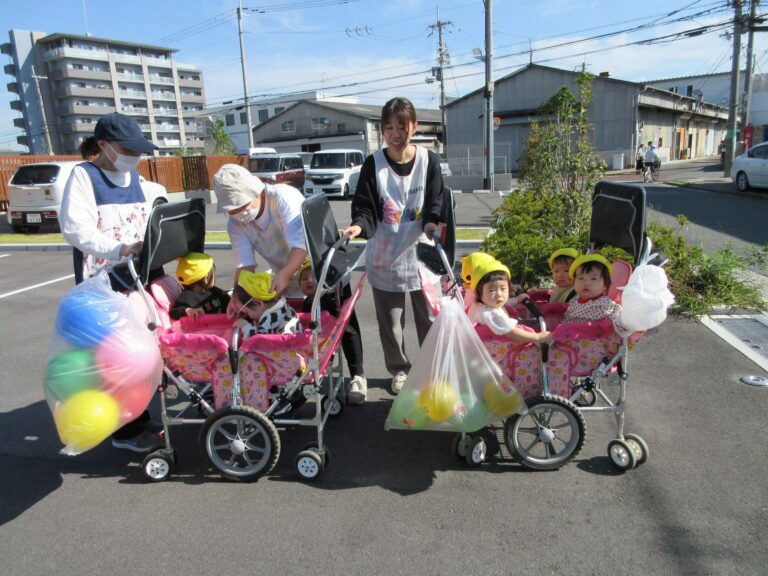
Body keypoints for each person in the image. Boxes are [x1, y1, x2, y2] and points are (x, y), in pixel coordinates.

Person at [58, 112, 161, 453]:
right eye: (128, 149)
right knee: (114, 357)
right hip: (103, 282)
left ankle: (139, 415)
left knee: (140, 351)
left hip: (135, 278)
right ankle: (123, 429)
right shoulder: (84, 176)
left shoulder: (135, 177)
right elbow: (76, 229)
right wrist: (120, 249)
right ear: (103, 145)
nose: (135, 156)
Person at [342, 97, 444, 395]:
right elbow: (365, 206)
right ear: (382, 130)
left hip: (422, 253)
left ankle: (431, 370)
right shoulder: (373, 164)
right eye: (389, 128)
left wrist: (431, 222)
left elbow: (436, 200)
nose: (396, 134)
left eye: (402, 127)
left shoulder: (428, 161)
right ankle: (399, 370)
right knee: (391, 321)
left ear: (414, 126)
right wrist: (359, 226)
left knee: (430, 318)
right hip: (385, 253)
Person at [212, 164, 308, 305]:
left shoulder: (284, 197)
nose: (240, 213)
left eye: (243, 205)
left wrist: (285, 274)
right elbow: (245, 266)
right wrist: (237, 297)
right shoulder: (235, 224)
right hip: (283, 282)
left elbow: (301, 244)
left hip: (314, 277)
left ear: (257, 191)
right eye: (233, 210)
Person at [298, 259, 367, 404]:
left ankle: (357, 376)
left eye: (313, 278)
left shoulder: (325, 300)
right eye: (304, 279)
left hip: (324, 342)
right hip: (310, 345)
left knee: (348, 327)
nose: (308, 281)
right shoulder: (305, 303)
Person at [467, 257, 552, 344]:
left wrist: (516, 300)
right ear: (478, 293)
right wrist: (537, 337)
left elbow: (502, 303)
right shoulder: (492, 314)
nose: (499, 294)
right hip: (503, 346)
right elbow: (511, 332)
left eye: (503, 288)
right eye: (491, 290)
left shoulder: (480, 304)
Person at [231, 270, 302, 337]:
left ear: (258, 303)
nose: (249, 317)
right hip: (299, 340)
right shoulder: (283, 304)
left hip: (288, 345)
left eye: (247, 313)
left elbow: (258, 341)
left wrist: (245, 326)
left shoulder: (268, 319)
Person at [170, 252, 230, 321]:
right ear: (206, 278)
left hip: (223, 324)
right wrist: (187, 310)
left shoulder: (215, 291)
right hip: (203, 327)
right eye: (213, 275)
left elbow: (227, 300)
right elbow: (173, 312)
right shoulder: (186, 297)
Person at [562, 254, 621, 323]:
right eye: (581, 278)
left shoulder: (606, 304)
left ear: (605, 284)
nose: (586, 283)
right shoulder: (574, 300)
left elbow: (613, 324)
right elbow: (566, 315)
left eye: (593, 279)